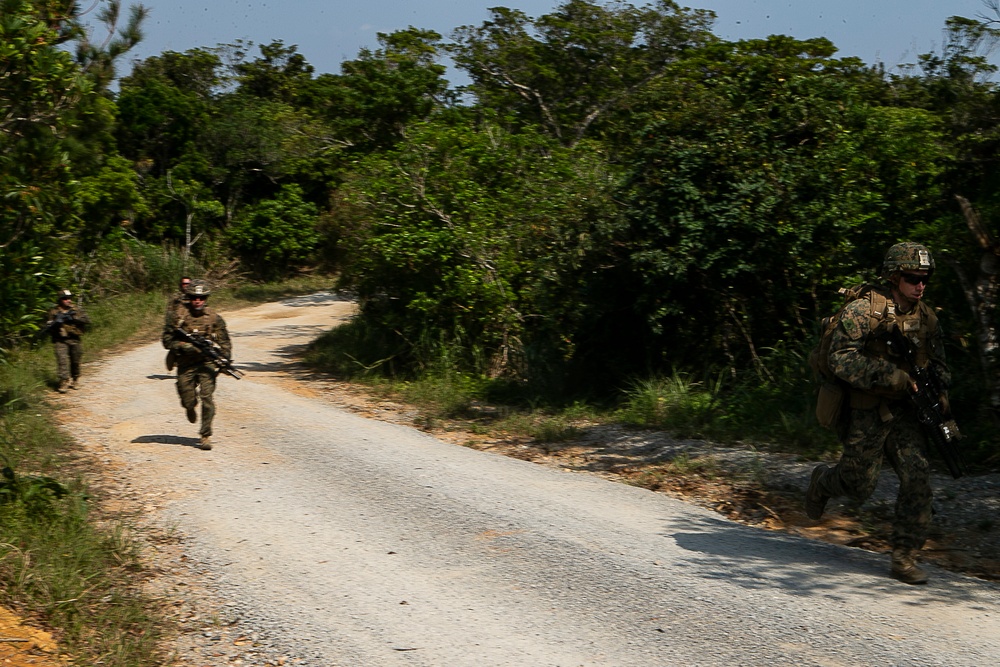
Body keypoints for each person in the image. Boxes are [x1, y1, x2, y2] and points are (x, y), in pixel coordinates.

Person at [806, 242, 951, 585]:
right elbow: (839, 357)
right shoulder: (862, 311)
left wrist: (936, 388)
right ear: (894, 277)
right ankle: (823, 482)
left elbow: (943, 366)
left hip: (905, 413)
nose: (921, 285)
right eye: (913, 278)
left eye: (925, 278)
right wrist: (893, 377)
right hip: (865, 410)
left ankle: (904, 557)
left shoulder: (927, 318)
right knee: (859, 486)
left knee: (918, 475)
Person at [161, 283, 232, 451]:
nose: (198, 301)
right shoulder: (177, 316)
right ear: (189, 298)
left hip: (207, 362)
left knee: (207, 398)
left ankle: (205, 435)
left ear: (206, 299)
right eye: (194, 298)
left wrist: (224, 360)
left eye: (201, 298)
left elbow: (225, 342)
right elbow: (166, 340)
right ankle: (189, 406)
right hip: (185, 363)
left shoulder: (214, 318)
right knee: (188, 398)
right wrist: (183, 346)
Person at [45, 289, 91, 393]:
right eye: (65, 298)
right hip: (60, 340)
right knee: (62, 361)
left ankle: (75, 379)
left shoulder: (76, 309)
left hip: (74, 339)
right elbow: (48, 326)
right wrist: (55, 324)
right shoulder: (54, 312)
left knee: (75, 361)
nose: (68, 300)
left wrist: (73, 318)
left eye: (69, 298)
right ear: (60, 299)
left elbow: (87, 320)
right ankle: (64, 381)